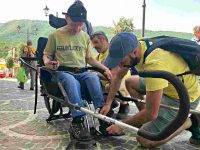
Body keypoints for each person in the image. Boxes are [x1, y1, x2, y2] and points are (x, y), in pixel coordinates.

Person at [100, 32, 200, 148]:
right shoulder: (139, 45)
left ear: (134, 52)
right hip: (166, 84)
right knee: (130, 82)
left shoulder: (155, 63)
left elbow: (151, 113)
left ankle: (191, 122)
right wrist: (108, 103)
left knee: (145, 140)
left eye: (121, 61)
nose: (119, 65)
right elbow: (118, 77)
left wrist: (122, 125)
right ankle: (146, 121)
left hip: (182, 97)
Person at [43, 1, 116, 142]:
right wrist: (48, 62)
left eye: (80, 24)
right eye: (74, 23)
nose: (77, 28)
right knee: (72, 82)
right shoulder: (55, 35)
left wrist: (105, 68)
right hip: (63, 72)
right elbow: (46, 55)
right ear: (67, 18)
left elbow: (90, 59)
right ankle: (77, 121)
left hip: (82, 71)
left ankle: (103, 117)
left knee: (93, 77)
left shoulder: (84, 36)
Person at [90, 31, 131, 119]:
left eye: (95, 42)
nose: (93, 46)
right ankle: (111, 102)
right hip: (105, 83)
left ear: (103, 39)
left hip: (119, 81)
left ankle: (124, 104)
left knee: (109, 85)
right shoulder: (98, 56)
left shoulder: (114, 52)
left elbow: (114, 75)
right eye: (92, 43)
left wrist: (94, 74)